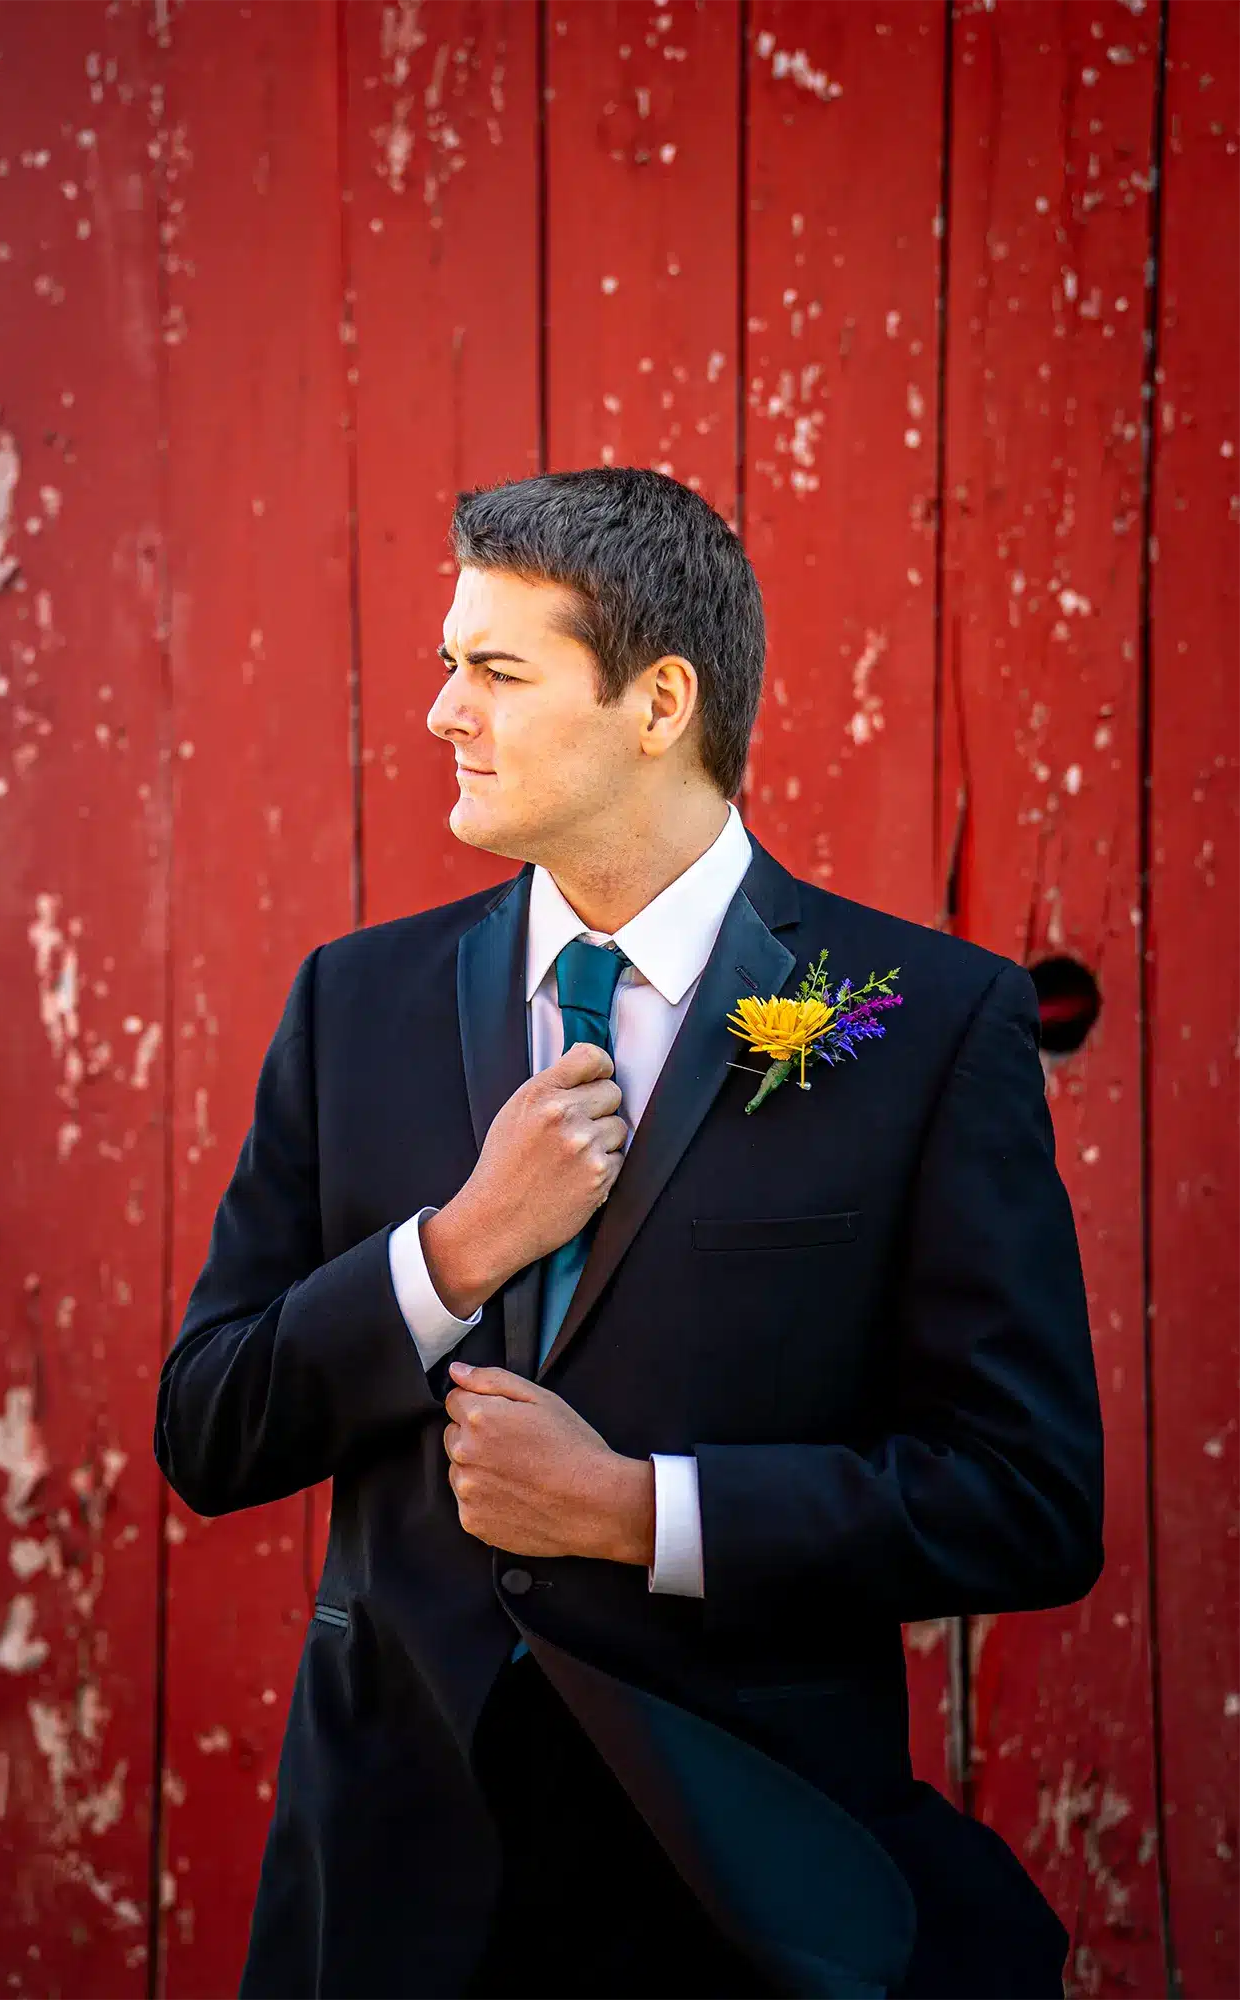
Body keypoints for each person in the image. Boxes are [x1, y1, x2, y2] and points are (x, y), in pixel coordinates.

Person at [154, 467, 1103, 1999]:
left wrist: (635, 1511)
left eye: (493, 671)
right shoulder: (353, 1002)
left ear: (658, 704)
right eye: (446, 663)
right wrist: (453, 1250)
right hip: (396, 1895)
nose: (441, 713)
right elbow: (206, 1428)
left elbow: (1028, 1501)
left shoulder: (925, 1025)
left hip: (747, 1894)